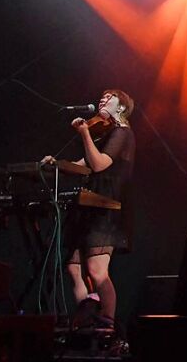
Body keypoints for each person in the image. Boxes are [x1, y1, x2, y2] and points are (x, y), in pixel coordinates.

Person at [43, 89, 136, 330]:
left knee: (97, 270)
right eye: (102, 96)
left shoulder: (122, 132)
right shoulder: (103, 135)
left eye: (110, 97)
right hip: (88, 203)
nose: (103, 99)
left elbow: (98, 164)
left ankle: (107, 326)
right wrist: (57, 164)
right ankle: (88, 317)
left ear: (122, 107)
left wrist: (84, 133)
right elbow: (82, 165)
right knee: (73, 267)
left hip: (105, 207)